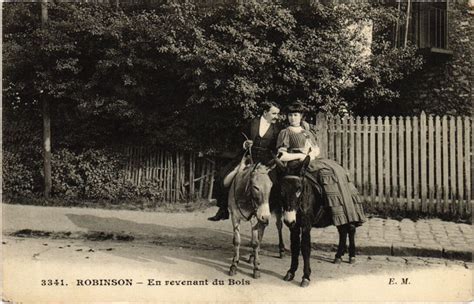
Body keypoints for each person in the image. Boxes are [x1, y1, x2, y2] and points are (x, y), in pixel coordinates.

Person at [276, 101, 366, 258]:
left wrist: (310, 155)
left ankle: (336, 209)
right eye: (290, 115)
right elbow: (281, 155)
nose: (293, 118)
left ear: (301, 116)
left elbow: (316, 149)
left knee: (332, 171)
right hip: (293, 166)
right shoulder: (285, 132)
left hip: (309, 163)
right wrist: (301, 156)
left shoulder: (306, 132)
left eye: (296, 115)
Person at [208, 102, 282, 221]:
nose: (276, 117)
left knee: (278, 183)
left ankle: (275, 210)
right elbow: (237, 138)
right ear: (265, 112)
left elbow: (277, 147)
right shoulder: (251, 123)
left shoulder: (277, 129)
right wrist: (244, 144)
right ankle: (223, 209)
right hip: (247, 159)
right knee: (223, 178)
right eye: (274, 113)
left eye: (277, 114)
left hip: (265, 163)